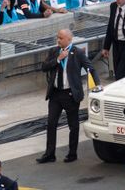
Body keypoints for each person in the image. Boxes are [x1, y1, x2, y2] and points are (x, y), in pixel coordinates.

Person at [37, 29, 101, 164]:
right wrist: (58, 59)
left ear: (68, 39)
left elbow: (91, 68)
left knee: (73, 125)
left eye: (60, 38)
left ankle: (72, 153)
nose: (58, 40)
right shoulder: (54, 51)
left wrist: (97, 85)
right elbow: (44, 67)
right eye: (57, 37)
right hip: (55, 93)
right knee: (51, 123)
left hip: (70, 94)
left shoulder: (77, 53)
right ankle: (50, 154)